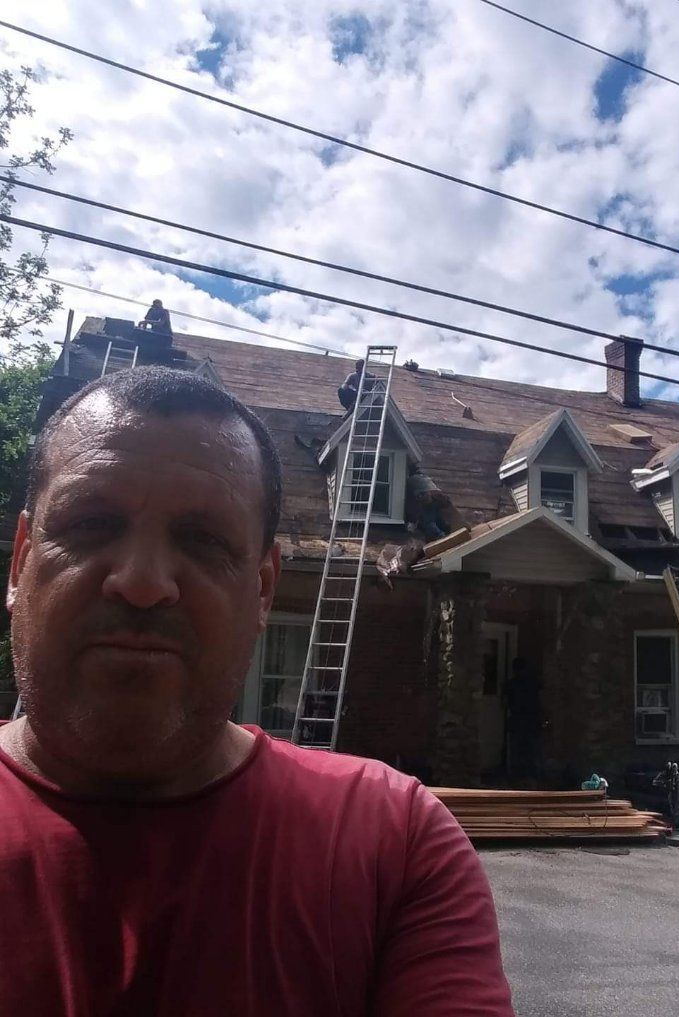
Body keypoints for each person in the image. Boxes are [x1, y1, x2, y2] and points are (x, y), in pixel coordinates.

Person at [0, 366, 513, 1016]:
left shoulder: (393, 844)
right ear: (19, 562)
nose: (142, 580)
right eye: (91, 523)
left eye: (203, 540)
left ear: (264, 590)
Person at [504, 656, 543, 783]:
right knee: (531, 752)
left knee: (519, 752)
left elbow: (505, 703)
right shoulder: (534, 683)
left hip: (519, 721)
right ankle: (532, 776)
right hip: (531, 721)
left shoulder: (511, 684)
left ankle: (518, 777)